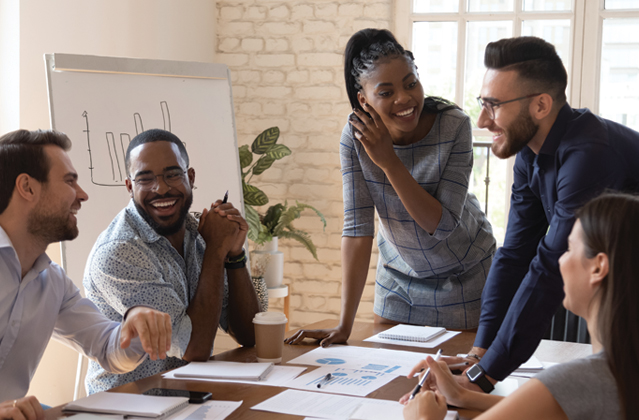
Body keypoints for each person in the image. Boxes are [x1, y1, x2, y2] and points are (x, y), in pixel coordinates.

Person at [447, 36, 639, 390]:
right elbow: (515, 255)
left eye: (493, 105)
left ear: (541, 105)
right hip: (619, 308)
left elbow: (549, 267)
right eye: (483, 103)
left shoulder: (589, 156)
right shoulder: (531, 153)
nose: (482, 120)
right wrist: (479, 356)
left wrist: (485, 376)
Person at [285, 28, 497, 346]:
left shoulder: (454, 126)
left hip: (465, 277)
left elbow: (440, 225)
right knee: (388, 384)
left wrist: (389, 161)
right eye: (385, 93)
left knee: (456, 384)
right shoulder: (354, 137)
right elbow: (357, 230)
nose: (404, 99)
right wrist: (344, 325)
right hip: (399, 280)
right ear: (363, 99)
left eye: (411, 83)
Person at [403, 193, 639, 420]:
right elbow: (561, 408)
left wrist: (423, 416)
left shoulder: (581, 379)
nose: (561, 261)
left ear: (598, 267)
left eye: (569, 249)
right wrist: (463, 396)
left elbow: (565, 396)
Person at [0, 129, 172, 418]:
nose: (82, 195)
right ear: (27, 187)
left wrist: (135, 324)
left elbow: (107, 348)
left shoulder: (52, 282)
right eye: (69, 181)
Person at [83, 129, 260, 393]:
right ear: (130, 187)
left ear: (190, 177)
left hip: (187, 396)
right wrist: (215, 249)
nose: (161, 188)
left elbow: (250, 335)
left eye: (172, 174)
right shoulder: (119, 251)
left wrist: (234, 255)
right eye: (145, 179)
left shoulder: (197, 230)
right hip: (129, 405)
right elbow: (194, 348)